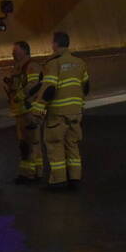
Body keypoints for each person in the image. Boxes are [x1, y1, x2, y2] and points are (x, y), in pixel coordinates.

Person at [30, 31, 89, 191]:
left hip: (58, 113)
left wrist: (37, 111)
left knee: (55, 145)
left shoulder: (53, 63)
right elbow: (86, 87)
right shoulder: (80, 62)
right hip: (75, 112)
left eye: (52, 43)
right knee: (72, 145)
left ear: (55, 44)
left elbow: (48, 89)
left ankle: (58, 180)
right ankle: (75, 178)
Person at [4, 40, 43, 184]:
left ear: (25, 51)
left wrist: (20, 95)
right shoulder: (18, 67)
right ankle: (37, 171)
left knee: (27, 143)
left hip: (29, 110)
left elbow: (34, 85)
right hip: (21, 110)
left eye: (16, 50)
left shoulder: (31, 66)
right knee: (33, 142)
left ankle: (28, 174)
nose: (13, 53)